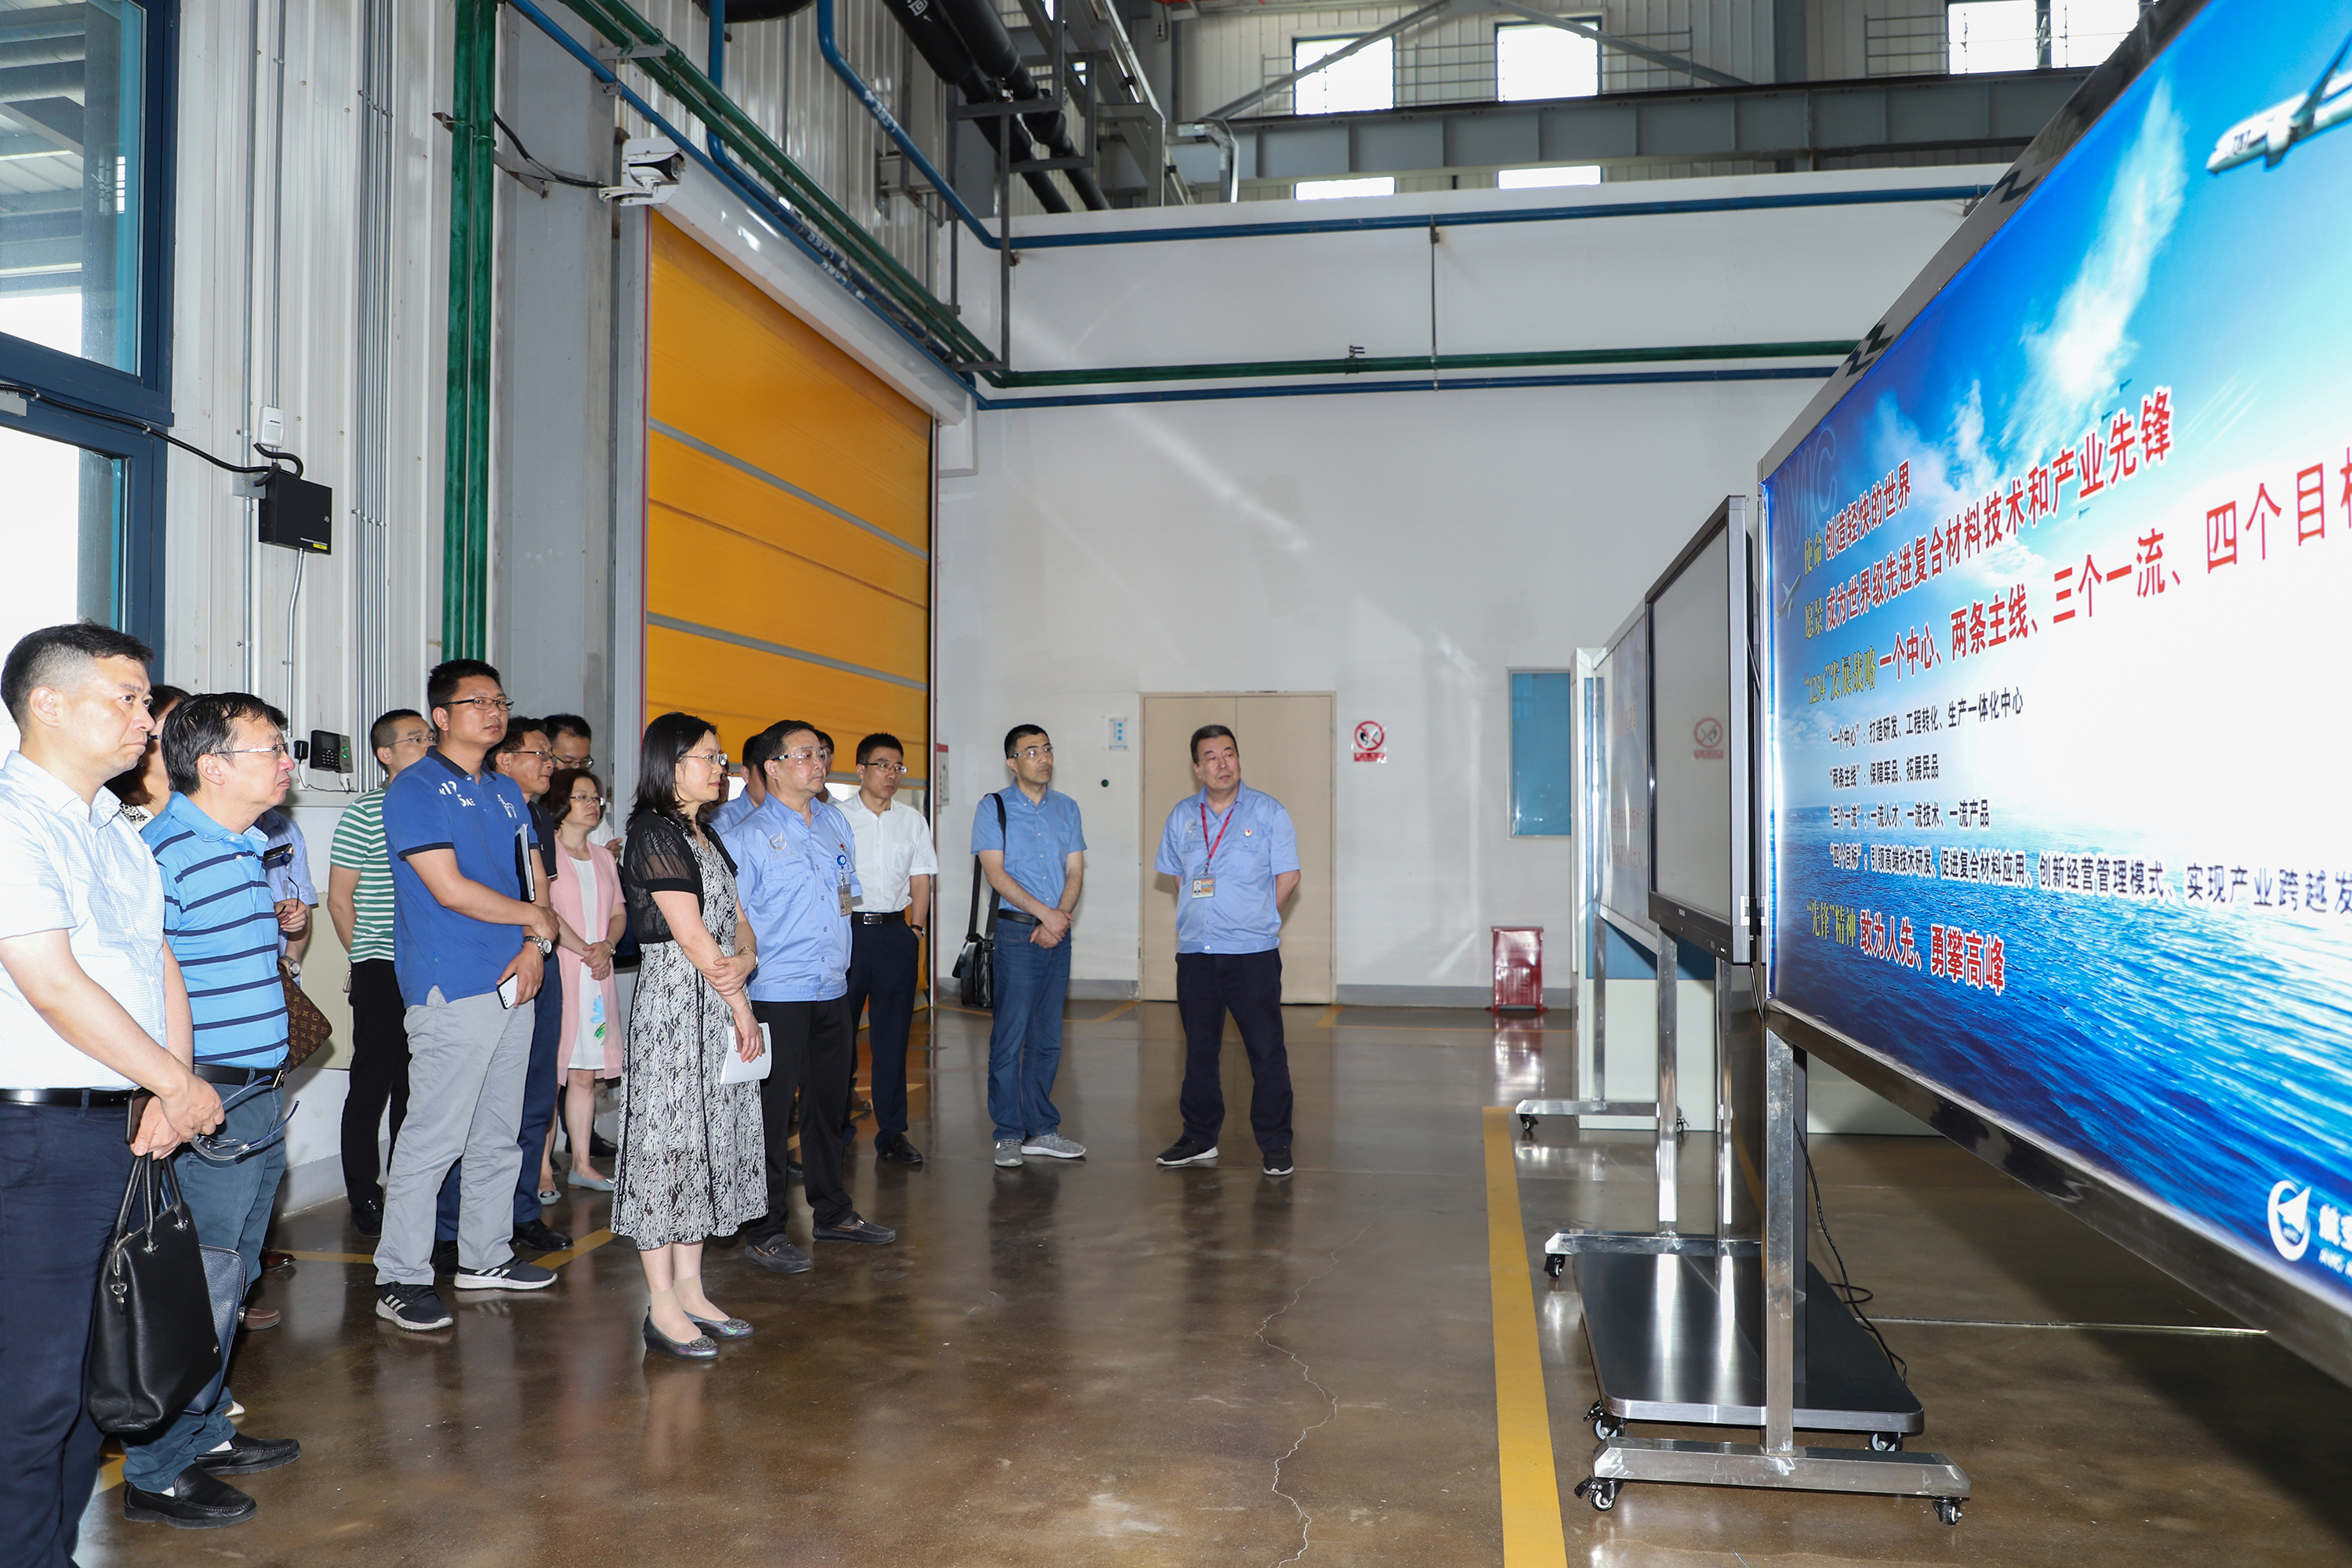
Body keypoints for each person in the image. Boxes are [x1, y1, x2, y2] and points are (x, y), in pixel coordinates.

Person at [0, 624, 226, 1555]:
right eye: (127, 699)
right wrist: (173, 1081)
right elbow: (50, 983)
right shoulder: (13, 818)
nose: (147, 719)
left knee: (92, 1387)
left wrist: (172, 1088)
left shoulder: (115, 830)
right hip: (34, 1138)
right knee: (30, 1391)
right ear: (47, 703)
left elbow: (154, 959)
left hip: (117, 1131)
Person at [122, 693, 309, 1517]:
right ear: (214, 766)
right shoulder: (164, 854)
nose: (287, 762)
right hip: (208, 1096)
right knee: (196, 1283)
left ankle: (203, 1429)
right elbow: (134, 987)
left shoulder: (243, 847)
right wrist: (170, 1089)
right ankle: (158, 1467)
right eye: (271, 748)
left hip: (257, 1094)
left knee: (233, 1275)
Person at [373, 659, 564, 1332]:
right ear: (441, 717)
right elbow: (449, 889)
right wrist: (535, 920)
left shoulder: (508, 792)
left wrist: (534, 944)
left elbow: (535, 880)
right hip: (452, 982)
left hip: (513, 977)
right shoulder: (416, 788)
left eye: (500, 701)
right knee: (434, 1136)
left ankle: (485, 1256)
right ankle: (400, 1275)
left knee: (497, 1134)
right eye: (476, 702)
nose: (493, 712)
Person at [613, 713, 765, 1358]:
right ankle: (662, 1305)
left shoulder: (704, 832)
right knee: (667, 1149)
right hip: (677, 1007)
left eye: (721, 757)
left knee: (704, 1147)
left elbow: (738, 921)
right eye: (709, 756)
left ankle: (693, 1291)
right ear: (670, 765)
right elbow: (691, 933)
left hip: (718, 995)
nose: (720, 767)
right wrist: (741, 1005)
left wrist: (746, 961)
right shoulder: (652, 830)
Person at [720, 720, 896, 1270]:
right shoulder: (746, 836)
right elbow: (732, 922)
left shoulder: (835, 822)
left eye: (820, 754)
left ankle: (832, 1211)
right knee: (770, 1116)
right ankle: (765, 1227)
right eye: (803, 755)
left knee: (828, 1107)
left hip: (832, 985)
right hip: (776, 989)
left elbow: (844, 897)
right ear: (771, 768)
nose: (818, 764)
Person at [1150, 725, 1301, 1178]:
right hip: (1196, 953)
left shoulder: (1269, 811)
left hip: (1252, 954)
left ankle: (1276, 1143)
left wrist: (1256, 917)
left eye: (1229, 754)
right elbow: (1179, 877)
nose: (1223, 764)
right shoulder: (1182, 816)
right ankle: (1199, 1137)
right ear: (1197, 768)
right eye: (1211, 757)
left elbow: (1289, 877)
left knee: (1266, 1051)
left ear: (1238, 759)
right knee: (1199, 1051)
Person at [328, 709, 434, 1236]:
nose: (428, 745)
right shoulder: (365, 813)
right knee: (372, 1085)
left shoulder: (438, 807)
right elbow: (339, 900)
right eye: (415, 739)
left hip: (431, 966)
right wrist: (363, 958)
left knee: (417, 1087)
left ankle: (410, 1190)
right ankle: (364, 1195)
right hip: (382, 966)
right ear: (384, 755)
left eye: (429, 737)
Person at [972, 724, 1087, 1168]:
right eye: (1032, 751)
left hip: (1057, 934)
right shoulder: (994, 807)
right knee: (1011, 1037)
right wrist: (1046, 915)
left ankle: (1041, 1129)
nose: (1044, 758)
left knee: (1048, 1038)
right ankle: (1007, 1132)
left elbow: (1075, 871)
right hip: (1018, 934)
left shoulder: (1067, 808)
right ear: (1013, 762)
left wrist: (1058, 918)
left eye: (1048, 749)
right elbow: (996, 874)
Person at [488, 719, 573, 1251]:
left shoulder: (537, 815)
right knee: (491, 1101)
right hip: (498, 957)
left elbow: (544, 897)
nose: (550, 764)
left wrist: (542, 946)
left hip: (542, 952)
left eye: (550, 756)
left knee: (539, 1092)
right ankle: (471, 1224)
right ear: (504, 759)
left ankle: (522, 1214)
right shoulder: (483, 809)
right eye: (539, 754)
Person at [840, 731, 935, 1167]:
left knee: (893, 1038)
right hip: (850, 934)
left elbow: (921, 880)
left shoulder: (912, 821)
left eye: (898, 767)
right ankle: (837, 1126)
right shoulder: (837, 818)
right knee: (839, 1034)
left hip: (897, 934)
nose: (892, 774)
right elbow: (834, 880)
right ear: (861, 770)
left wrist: (916, 930)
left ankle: (893, 1132)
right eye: (883, 765)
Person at [542, 766, 622, 1196]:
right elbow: (546, 913)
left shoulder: (605, 857)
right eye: (583, 797)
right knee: (549, 1077)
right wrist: (586, 948)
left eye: (596, 798)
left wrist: (606, 945)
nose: (593, 805)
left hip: (596, 974)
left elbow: (619, 912)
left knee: (585, 1076)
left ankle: (582, 1164)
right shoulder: (545, 853)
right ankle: (541, 1170)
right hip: (561, 971)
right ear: (561, 803)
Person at [103, 681, 189, 827]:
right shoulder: (110, 819)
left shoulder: (211, 812)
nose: (193, 744)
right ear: (139, 748)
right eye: (178, 734)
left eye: (196, 732)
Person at [544, 713, 617, 848]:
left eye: (584, 762)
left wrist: (608, 853)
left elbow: (603, 844)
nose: (576, 769)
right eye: (568, 761)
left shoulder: (590, 805)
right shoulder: (533, 798)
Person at [710, 725, 778, 837]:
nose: (773, 779)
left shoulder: (795, 816)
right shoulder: (720, 821)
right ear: (746, 774)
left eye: (776, 771)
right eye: (764, 773)